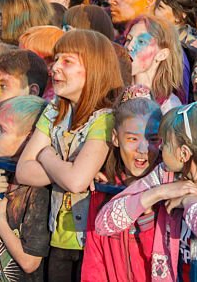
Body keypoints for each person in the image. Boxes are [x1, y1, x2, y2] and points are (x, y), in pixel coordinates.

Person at [94, 102, 197, 281]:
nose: (160, 148)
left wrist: (188, 200)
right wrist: (158, 193)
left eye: (166, 143)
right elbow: (103, 223)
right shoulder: (168, 174)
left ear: (184, 153)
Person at [16, 30, 123, 281]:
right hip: (59, 236)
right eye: (56, 59)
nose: (54, 68)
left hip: (91, 240)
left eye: (67, 61)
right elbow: (23, 170)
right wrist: (68, 170)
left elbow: (76, 181)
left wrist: (45, 154)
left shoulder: (105, 118)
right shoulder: (54, 112)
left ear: (94, 68)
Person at [82, 96, 163, 282]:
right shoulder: (105, 187)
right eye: (132, 138)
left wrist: (147, 213)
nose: (143, 148)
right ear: (115, 138)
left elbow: (162, 261)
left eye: (153, 139)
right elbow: (94, 261)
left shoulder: (168, 189)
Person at [0, 95, 50, 282]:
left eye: (2, 130)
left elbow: (30, 263)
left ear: (30, 139)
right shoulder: (3, 173)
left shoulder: (38, 190)